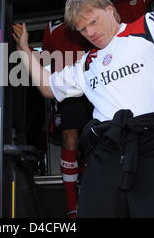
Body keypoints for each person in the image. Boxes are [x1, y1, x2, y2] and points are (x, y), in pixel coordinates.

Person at [12, 0, 154, 218]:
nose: (90, 32)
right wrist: (24, 50)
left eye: (93, 22)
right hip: (107, 153)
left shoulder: (148, 27)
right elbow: (47, 87)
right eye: (83, 29)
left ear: (111, 10)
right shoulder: (87, 62)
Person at [41, 18, 93, 218]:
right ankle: (72, 204)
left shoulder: (88, 16)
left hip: (93, 80)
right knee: (69, 137)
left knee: (96, 136)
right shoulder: (52, 26)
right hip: (67, 86)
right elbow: (45, 59)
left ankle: (91, 192)